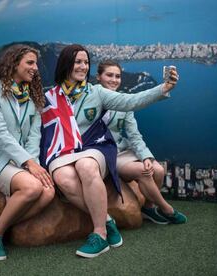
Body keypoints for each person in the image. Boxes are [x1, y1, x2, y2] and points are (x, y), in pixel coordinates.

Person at [39, 44, 179, 258]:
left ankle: (99, 234)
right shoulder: (50, 97)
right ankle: (106, 219)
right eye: (78, 61)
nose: (83, 66)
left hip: (96, 147)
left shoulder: (97, 92)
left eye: (86, 62)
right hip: (66, 153)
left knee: (86, 166)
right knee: (63, 178)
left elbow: (131, 101)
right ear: (66, 63)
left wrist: (163, 88)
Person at [0, 44, 55, 261]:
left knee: (49, 192)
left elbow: (35, 136)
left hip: (19, 163)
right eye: (30, 63)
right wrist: (28, 164)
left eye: (36, 64)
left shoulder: (33, 97)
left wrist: (31, 161)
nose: (35, 68)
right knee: (33, 187)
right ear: (14, 63)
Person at [96, 60, 187, 225]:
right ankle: (167, 209)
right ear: (98, 77)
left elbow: (134, 135)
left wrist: (146, 157)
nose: (114, 79)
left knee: (157, 170)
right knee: (143, 172)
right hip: (104, 153)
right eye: (109, 75)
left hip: (122, 150)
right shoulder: (90, 98)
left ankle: (149, 208)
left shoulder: (123, 101)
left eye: (118, 76)